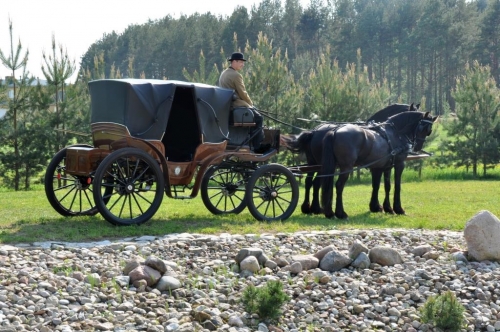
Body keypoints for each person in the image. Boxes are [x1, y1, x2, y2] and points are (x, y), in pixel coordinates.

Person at [218, 52, 269, 153]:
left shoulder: (224, 73)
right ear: (234, 62)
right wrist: (251, 105)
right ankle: (256, 146)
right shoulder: (236, 75)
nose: (242, 64)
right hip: (236, 105)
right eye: (241, 62)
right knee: (259, 118)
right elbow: (243, 93)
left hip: (227, 106)